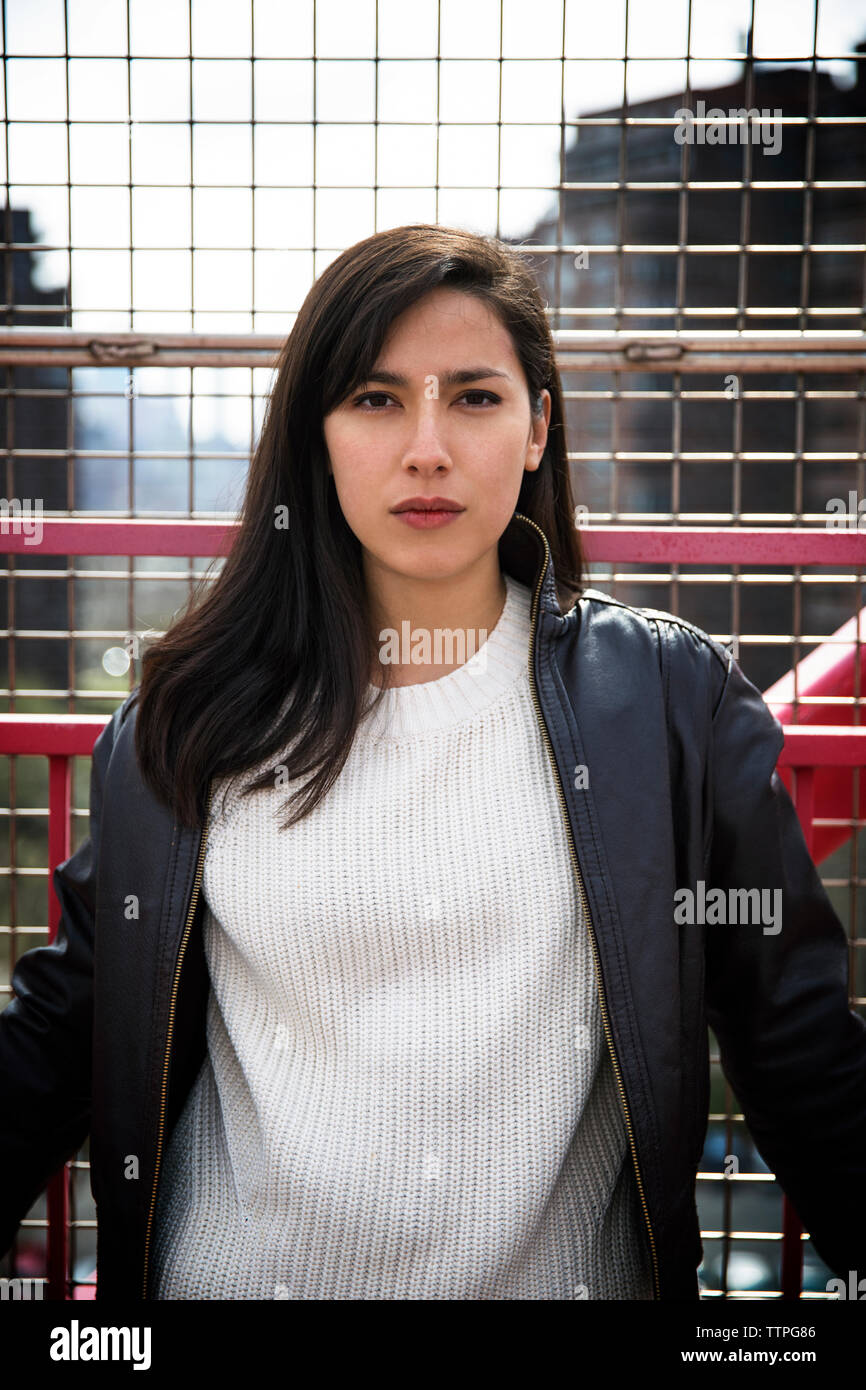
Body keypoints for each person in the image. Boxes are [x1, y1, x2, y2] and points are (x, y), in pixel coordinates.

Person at [1, 223, 865, 1302]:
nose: (426, 448)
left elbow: (798, 1051)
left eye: (473, 396)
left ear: (538, 426)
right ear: (314, 435)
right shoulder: (193, 717)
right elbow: (64, 1028)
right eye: (373, 398)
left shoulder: (666, 702)